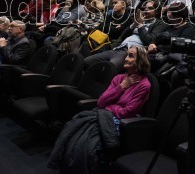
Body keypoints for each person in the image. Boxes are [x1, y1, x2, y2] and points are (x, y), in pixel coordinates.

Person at [48, 46, 151, 174]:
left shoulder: (144, 85)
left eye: (130, 56)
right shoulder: (118, 79)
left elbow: (127, 112)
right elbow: (101, 101)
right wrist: (122, 86)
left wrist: (109, 107)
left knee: (87, 144)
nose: (125, 58)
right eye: (126, 55)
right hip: (103, 114)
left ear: (140, 61)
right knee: (73, 129)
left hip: (121, 122)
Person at [84, 0, 168, 70]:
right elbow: (122, 37)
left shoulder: (159, 23)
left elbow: (150, 40)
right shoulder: (138, 20)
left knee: (110, 68)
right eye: (145, 7)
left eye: (150, 8)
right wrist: (134, 24)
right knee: (86, 62)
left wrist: (140, 25)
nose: (145, 9)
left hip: (130, 53)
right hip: (118, 48)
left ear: (157, 12)